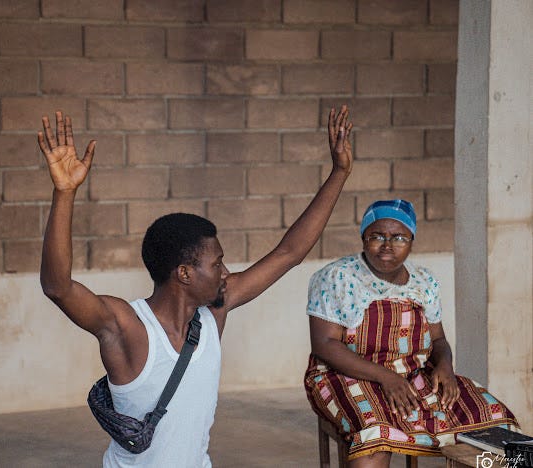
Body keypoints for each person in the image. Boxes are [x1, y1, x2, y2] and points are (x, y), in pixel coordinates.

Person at [37, 106, 353, 467]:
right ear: (184, 273)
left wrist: (339, 173)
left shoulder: (213, 312)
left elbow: (289, 253)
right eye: (217, 264)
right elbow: (58, 287)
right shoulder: (127, 326)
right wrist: (64, 193)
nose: (225, 272)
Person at [304, 199, 519, 467]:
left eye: (399, 238)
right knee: (376, 436)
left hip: (413, 375)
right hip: (346, 375)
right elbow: (325, 344)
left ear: (411, 241)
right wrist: (386, 377)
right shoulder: (336, 277)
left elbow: (438, 339)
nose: (387, 245)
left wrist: (445, 365)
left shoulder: (424, 281)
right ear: (363, 238)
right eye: (377, 236)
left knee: (496, 423)